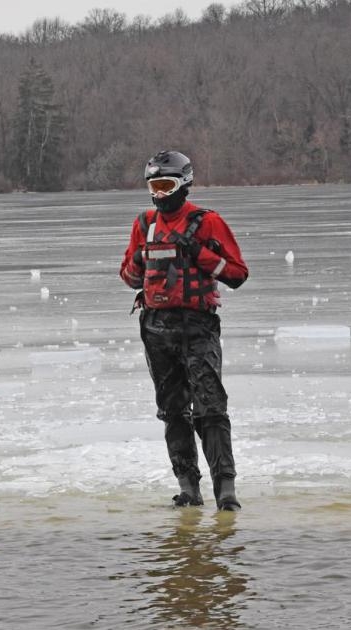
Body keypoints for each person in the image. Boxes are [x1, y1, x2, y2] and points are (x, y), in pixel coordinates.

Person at [119, 150, 249, 511]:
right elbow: (129, 278)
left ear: (184, 185)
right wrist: (141, 259)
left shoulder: (207, 222)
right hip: (156, 330)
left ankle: (226, 490)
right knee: (173, 411)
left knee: (210, 409)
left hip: (197, 327)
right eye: (153, 186)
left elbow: (237, 274)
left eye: (166, 186)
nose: (159, 195)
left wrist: (200, 254)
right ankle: (188, 487)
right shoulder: (144, 224)